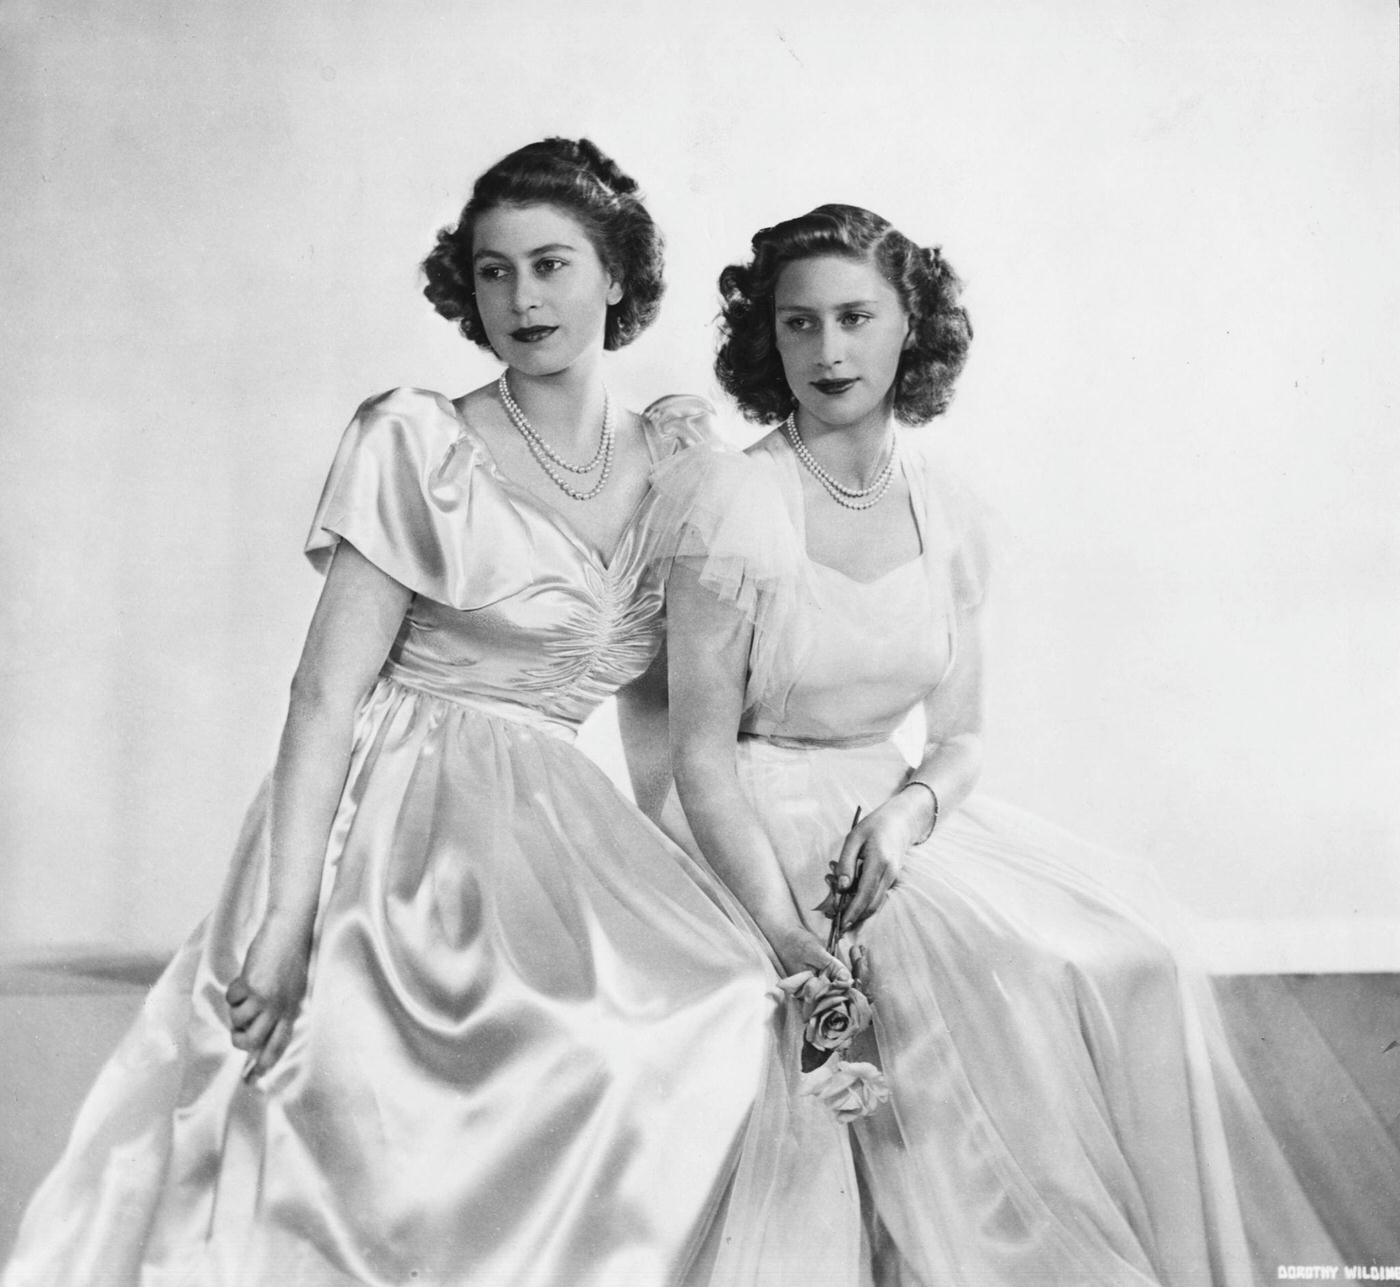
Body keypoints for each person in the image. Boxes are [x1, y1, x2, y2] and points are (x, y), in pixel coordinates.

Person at [3, 140, 850, 1287]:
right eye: (492, 272)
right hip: (389, 823)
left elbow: (669, 741)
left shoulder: (678, 461)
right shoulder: (417, 440)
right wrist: (285, 917)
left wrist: (755, 917)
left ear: (615, 277)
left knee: (705, 1017)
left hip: (552, 822)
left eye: (551, 264)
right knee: (394, 1128)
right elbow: (321, 697)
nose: (522, 298)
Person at [646, 203, 1400, 1285]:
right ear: (766, 338)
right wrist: (780, 924)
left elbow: (958, 737)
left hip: (888, 816)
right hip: (754, 826)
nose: (827, 350)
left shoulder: (945, 511)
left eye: (856, 318)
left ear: (913, 330)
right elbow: (699, 753)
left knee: (1135, 956)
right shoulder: (736, 500)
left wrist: (906, 816)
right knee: (981, 1009)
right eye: (798, 324)